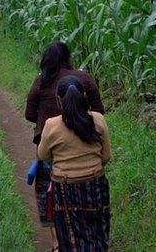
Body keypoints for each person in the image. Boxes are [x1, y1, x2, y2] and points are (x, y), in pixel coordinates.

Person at [26, 42, 105, 235]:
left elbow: (29, 114)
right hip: (85, 145)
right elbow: (99, 111)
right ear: (68, 58)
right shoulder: (83, 78)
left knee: (50, 196)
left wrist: (49, 121)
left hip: (50, 147)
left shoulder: (41, 81)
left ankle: (56, 244)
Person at [37, 75, 112, 251]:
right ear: (84, 95)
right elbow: (106, 156)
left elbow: (43, 155)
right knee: (97, 234)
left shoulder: (52, 125)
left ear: (59, 100)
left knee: (70, 239)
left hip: (66, 189)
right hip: (96, 187)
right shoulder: (98, 119)